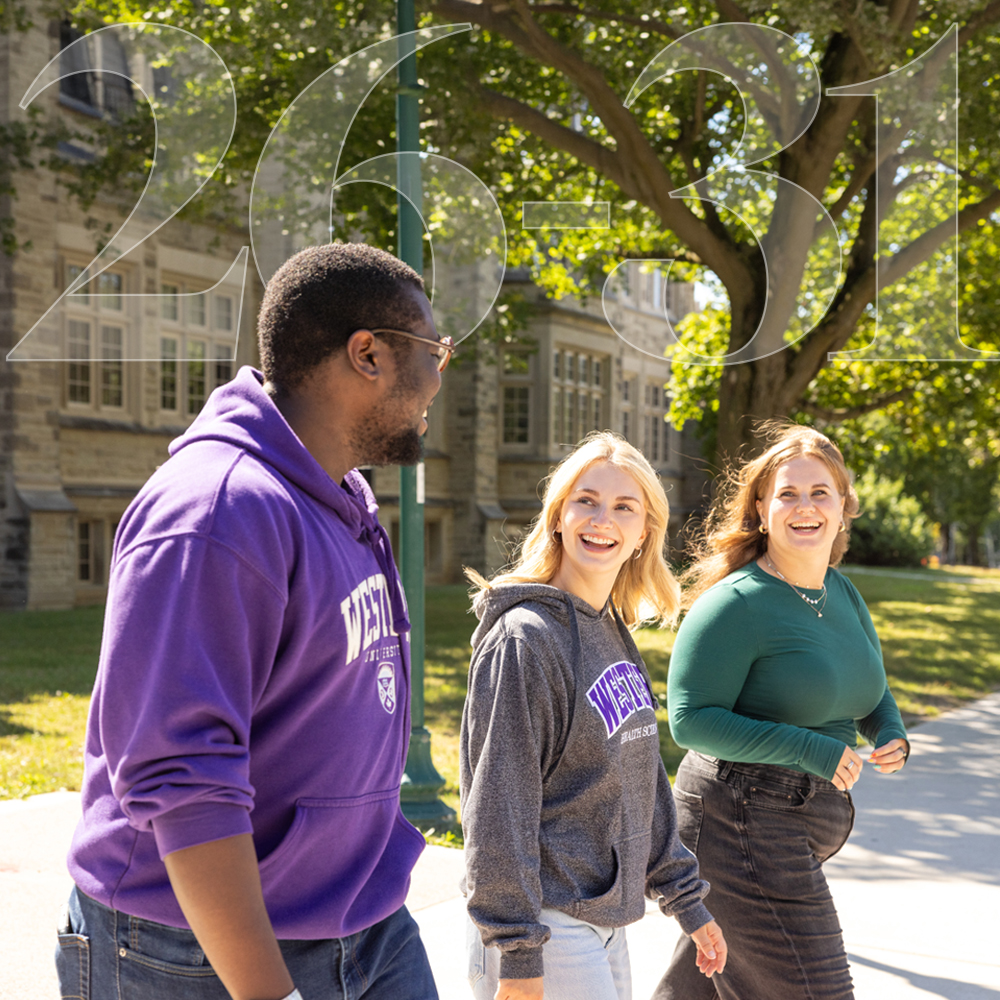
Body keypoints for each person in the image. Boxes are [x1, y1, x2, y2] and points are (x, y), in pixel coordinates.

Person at [55, 243, 455, 1000]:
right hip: (189, 949)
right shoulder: (217, 512)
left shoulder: (340, 492)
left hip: (361, 917)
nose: (441, 373)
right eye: (434, 349)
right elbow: (182, 776)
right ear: (366, 354)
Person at [461, 431, 728, 1000]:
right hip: (545, 923)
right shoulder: (524, 640)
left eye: (623, 507)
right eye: (586, 500)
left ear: (643, 534)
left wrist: (685, 899)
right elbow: (497, 807)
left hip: (603, 921)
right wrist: (518, 950)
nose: (601, 519)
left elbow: (642, 781)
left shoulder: (610, 630)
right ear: (558, 516)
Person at [653, 423, 909, 1000]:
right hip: (737, 820)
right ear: (762, 511)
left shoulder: (840, 592)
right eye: (787, 494)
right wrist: (808, 747)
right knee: (818, 990)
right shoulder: (735, 603)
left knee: (699, 987)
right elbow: (690, 719)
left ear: (844, 507)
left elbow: (869, 689)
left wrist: (889, 730)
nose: (805, 507)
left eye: (821, 492)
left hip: (790, 821)